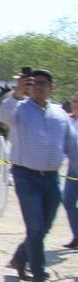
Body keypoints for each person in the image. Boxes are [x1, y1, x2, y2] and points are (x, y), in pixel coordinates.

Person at [0, 69, 78, 282]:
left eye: (43, 83)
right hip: (26, 176)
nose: (38, 87)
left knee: (43, 227)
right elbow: (3, 115)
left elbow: (71, 146)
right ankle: (40, 278)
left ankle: (19, 258)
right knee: (35, 226)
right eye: (33, 83)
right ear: (28, 86)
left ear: (52, 87)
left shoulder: (60, 114)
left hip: (52, 178)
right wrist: (16, 93)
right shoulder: (19, 109)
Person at [63, 91, 78, 250]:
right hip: (73, 169)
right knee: (68, 201)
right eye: (74, 101)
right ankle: (77, 235)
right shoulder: (67, 121)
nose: (76, 105)